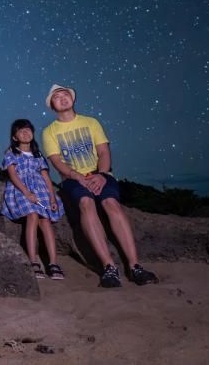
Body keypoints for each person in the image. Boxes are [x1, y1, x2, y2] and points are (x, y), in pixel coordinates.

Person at [41, 84, 159, 288]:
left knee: (111, 203)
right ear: (52, 106)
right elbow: (57, 162)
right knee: (86, 203)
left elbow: (104, 152)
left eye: (66, 94)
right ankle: (109, 267)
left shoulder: (91, 122)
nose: (62, 98)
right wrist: (77, 176)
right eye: (57, 97)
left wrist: (102, 175)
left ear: (73, 99)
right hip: (72, 179)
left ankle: (135, 266)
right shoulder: (49, 132)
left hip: (100, 174)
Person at [0, 119, 65, 280]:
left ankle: (53, 263)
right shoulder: (11, 153)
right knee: (32, 215)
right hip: (21, 189)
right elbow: (13, 175)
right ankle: (33, 261)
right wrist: (27, 193)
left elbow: (46, 177)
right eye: (21, 130)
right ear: (14, 137)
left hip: (41, 190)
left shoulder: (38, 155)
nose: (25, 132)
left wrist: (52, 198)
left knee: (45, 220)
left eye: (28, 129)